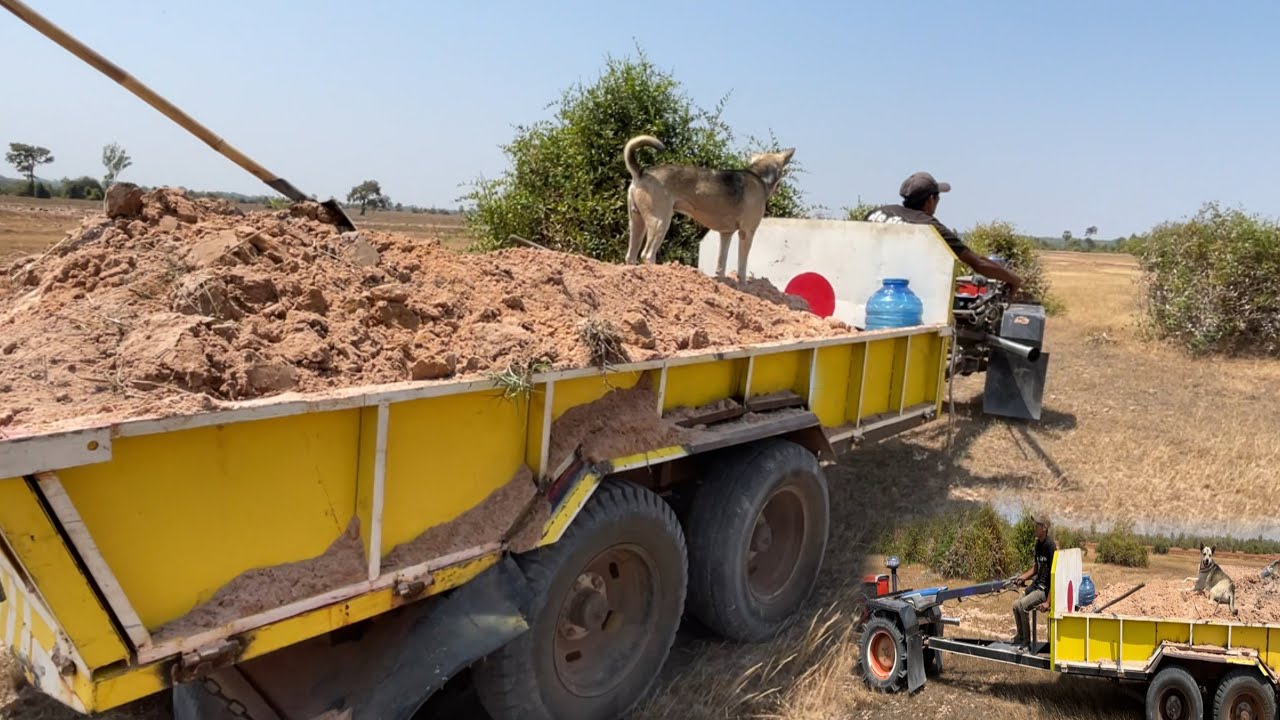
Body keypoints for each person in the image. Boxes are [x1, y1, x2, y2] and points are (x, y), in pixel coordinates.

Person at [865, 172, 1024, 294]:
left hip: (869, 289)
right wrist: (1014, 280)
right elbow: (977, 262)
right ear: (930, 200)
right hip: (905, 298)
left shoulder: (877, 213)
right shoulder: (931, 226)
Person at [1010, 516, 1055, 650]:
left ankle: (1026, 642)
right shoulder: (1038, 544)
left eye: (1037, 525)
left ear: (1045, 528)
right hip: (1036, 585)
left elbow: (1054, 575)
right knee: (1015, 605)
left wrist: (1048, 602)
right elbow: (1036, 568)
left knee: (1023, 606)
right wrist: (1022, 577)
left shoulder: (1050, 546)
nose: (1035, 528)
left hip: (1043, 590)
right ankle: (1020, 635)